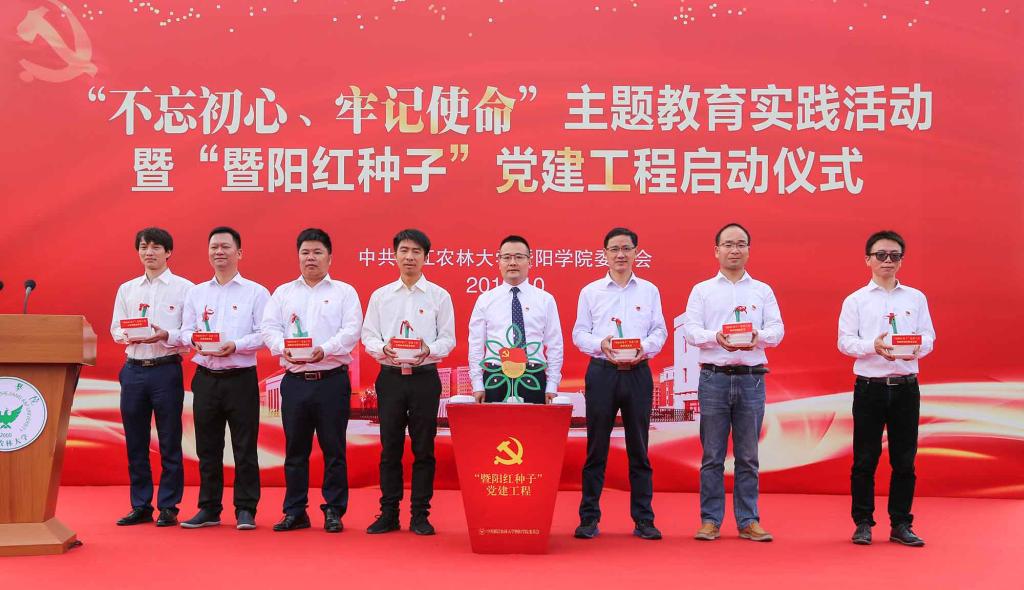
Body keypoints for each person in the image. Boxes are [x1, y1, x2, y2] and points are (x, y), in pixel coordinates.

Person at [683, 222, 784, 542]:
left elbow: (777, 331)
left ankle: (748, 519)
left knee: (748, 456)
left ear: (749, 250)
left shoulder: (762, 291)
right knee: (712, 455)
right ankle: (710, 520)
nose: (734, 250)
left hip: (751, 379)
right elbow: (690, 331)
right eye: (728, 244)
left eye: (741, 244)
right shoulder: (702, 290)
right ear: (716, 251)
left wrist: (758, 337)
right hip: (713, 377)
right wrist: (716, 337)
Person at [261, 228, 362, 533]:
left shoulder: (344, 292)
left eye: (317, 252)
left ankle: (334, 510)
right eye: (305, 252)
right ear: (298, 256)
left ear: (330, 258)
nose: (311, 258)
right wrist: (282, 348)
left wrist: (324, 350)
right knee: (295, 450)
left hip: (331, 380)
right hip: (295, 381)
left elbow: (351, 331)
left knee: (334, 449)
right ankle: (295, 511)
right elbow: (269, 328)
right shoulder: (283, 293)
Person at [838, 230, 935, 547]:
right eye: (881, 255)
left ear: (901, 260)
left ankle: (901, 524)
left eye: (895, 255)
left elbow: (929, 337)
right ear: (868, 259)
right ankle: (863, 523)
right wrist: (873, 346)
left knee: (904, 460)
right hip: (870, 388)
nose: (888, 261)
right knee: (864, 459)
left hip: (906, 388)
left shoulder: (915, 298)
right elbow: (845, 342)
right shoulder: (856, 300)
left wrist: (917, 348)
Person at [572, 228, 667, 541]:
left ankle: (644, 519)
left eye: (627, 248)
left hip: (638, 373)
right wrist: (601, 344)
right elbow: (579, 333)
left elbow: (660, 332)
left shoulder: (649, 291)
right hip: (603, 372)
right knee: (596, 448)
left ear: (636, 252)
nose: (621, 254)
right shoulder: (591, 291)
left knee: (639, 449)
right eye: (614, 249)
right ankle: (589, 518)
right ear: (605, 254)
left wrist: (644, 348)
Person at [361, 229, 456, 536]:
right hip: (390, 378)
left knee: (424, 448)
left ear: (426, 257)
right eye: (404, 250)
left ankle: (420, 514)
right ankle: (388, 513)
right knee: (390, 448)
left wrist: (430, 349)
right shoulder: (380, 296)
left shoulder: (439, 296)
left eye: (416, 251)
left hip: (424, 379)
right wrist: (382, 349)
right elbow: (368, 336)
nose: (410, 257)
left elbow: (448, 339)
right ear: (395, 255)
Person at [179, 226, 269, 530]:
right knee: (207, 446)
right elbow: (185, 332)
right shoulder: (196, 293)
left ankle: (246, 508)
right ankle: (209, 508)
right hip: (206, 377)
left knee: (245, 446)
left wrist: (236, 345)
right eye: (214, 247)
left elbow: (265, 334)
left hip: (240, 378)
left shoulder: (256, 292)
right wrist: (196, 340)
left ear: (239, 253)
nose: (219, 252)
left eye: (225, 247)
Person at [110, 227, 193, 527]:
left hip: (165, 369)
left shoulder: (185, 289)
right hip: (133, 370)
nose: (149, 252)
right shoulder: (127, 289)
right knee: (136, 440)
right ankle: (141, 505)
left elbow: (191, 334)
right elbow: (115, 328)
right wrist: (128, 335)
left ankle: (169, 505)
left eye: (156, 247)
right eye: (144, 247)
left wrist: (165, 334)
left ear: (168, 252)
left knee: (170, 439)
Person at [468, 235, 563, 404]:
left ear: (530, 261)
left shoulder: (545, 299)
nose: (512, 263)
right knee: (496, 422)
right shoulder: (485, 300)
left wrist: (552, 385)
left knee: (533, 421)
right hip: (496, 375)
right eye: (506, 257)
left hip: (533, 374)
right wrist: (477, 384)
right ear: (499, 262)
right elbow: (476, 344)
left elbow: (555, 344)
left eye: (519, 257)